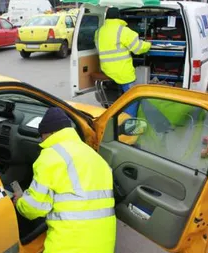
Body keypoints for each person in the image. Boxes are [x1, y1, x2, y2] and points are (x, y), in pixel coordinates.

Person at [14, 107, 116, 253]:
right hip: (104, 246)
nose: (41, 139)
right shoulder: (95, 157)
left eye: (41, 135)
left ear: (49, 134)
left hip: (69, 247)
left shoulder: (49, 157)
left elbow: (34, 209)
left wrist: (20, 202)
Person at [95, 7, 151, 117]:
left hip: (106, 70)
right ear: (118, 17)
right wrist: (149, 44)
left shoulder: (99, 31)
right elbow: (138, 48)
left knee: (118, 96)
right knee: (131, 98)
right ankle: (128, 123)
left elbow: (99, 49)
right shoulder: (123, 31)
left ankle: (117, 116)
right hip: (123, 73)